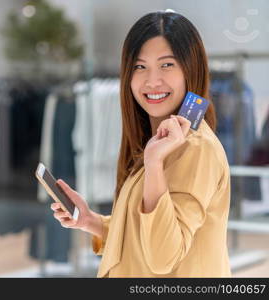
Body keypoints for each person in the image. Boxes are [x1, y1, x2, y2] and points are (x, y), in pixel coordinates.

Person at [51, 11, 232, 277]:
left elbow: (162, 257)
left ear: (190, 69)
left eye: (167, 65)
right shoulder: (164, 142)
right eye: (139, 66)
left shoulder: (194, 148)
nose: (152, 81)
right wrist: (92, 222)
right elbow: (145, 235)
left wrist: (154, 162)